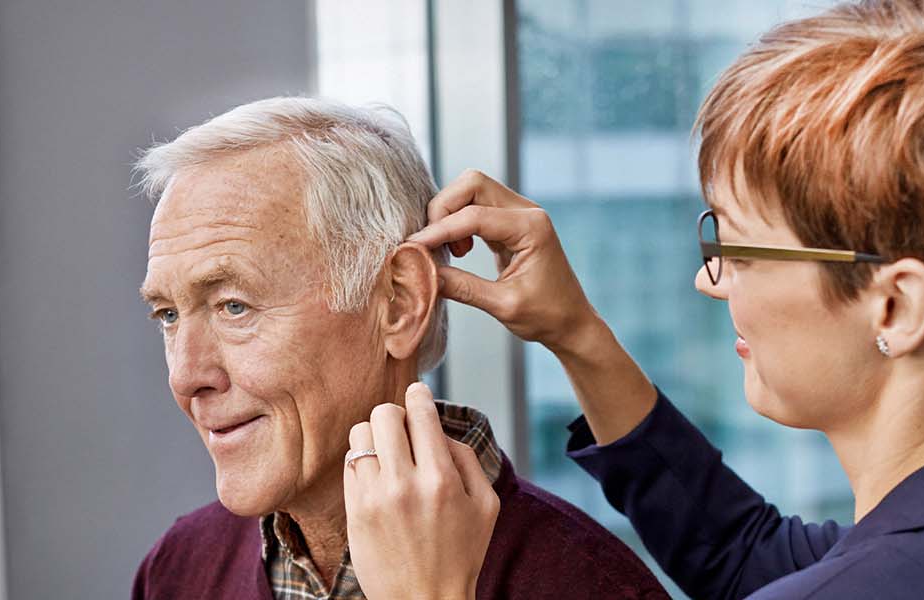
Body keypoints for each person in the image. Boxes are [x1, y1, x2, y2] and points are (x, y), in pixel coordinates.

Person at [407, 0, 924, 598]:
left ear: (896, 308)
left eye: (734, 246)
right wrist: (576, 332)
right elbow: (741, 554)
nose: (711, 279)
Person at [129, 97, 667, 599]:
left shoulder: (590, 585)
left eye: (234, 306)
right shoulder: (178, 569)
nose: (186, 375)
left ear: (399, 301)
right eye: (169, 315)